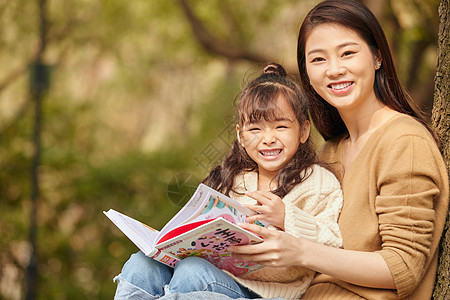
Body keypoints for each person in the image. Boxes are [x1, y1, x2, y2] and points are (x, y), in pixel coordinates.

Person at [154, 0, 448, 299]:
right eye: (318, 59)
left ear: (377, 57)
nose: (334, 70)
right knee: (155, 270)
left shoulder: (404, 142)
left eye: (347, 53)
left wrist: (301, 251)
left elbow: (403, 268)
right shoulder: (330, 151)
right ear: (306, 72)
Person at [113, 62, 344, 299]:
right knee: (142, 262)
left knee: (192, 272)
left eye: (281, 126)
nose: (268, 138)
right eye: (255, 129)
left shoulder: (318, 182)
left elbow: (333, 244)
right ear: (240, 136)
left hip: (271, 294)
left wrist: (287, 218)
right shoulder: (234, 180)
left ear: (304, 131)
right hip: (223, 279)